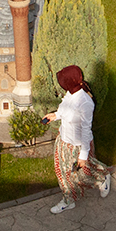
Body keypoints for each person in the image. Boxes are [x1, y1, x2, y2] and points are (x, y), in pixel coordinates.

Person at [45, 65, 111, 214]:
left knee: (82, 174)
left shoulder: (85, 102)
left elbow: (86, 130)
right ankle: (68, 200)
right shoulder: (70, 93)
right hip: (64, 140)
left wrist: (83, 154)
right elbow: (65, 110)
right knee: (63, 173)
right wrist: (55, 115)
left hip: (78, 145)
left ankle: (102, 179)